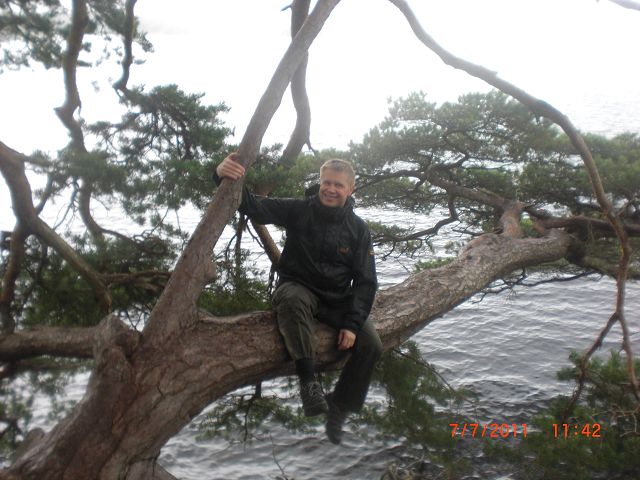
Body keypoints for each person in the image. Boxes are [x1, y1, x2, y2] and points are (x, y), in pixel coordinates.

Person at [214, 153, 382, 444]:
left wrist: (352, 325)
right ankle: (308, 383)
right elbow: (252, 205)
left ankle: (340, 405)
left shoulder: (358, 229)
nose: (331, 189)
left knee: (372, 345)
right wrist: (221, 174)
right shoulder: (299, 210)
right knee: (292, 299)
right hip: (298, 286)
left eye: (338, 185)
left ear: (350, 189)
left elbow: (366, 282)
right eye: (326, 182)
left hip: (337, 298)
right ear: (320, 183)